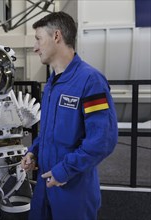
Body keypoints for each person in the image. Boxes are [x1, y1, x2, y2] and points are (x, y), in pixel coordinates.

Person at [21, 11, 118, 220]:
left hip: (73, 190)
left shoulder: (90, 81)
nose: (35, 47)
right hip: (45, 187)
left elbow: (102, 140)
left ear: (56, 36)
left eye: (38, 39)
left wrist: (64, 171)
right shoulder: (51, 84)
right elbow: (49, 132)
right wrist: (34, 152)